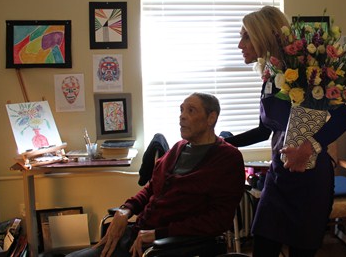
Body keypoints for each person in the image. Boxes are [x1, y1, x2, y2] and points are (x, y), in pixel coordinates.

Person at [224, 6, 346, 257]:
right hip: (278, 177)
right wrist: (225, 143)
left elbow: (342, 119)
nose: (240, 44)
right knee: (263, 245)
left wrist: (308, 148)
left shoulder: (305, 73)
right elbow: (265, 130)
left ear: (264, 36)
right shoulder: (270, 77)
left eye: (246, 36)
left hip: (310, 178)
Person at [67, 93, 246, 257]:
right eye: (181, 110)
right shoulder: (178, 148)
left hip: (165, 245)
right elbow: (152, 188)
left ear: (211, 118)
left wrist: (160, 234)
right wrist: (125, 209)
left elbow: (218, 221)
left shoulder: (227, 159)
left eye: (191, 111)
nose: (182, 116)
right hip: (137, 233)